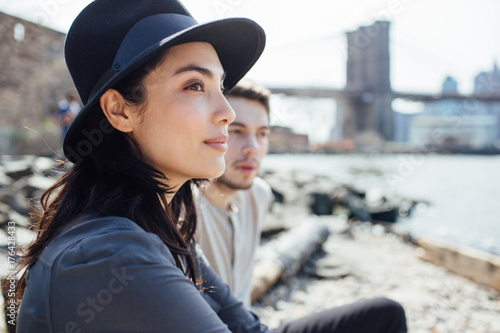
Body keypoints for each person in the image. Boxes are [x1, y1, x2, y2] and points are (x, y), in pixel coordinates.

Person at [10, 0, 270, 332]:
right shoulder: (110, 257)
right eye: (194, 86)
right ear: (120, 111)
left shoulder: (159, 226)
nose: (227, 112)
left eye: (221, 87)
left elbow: (246, 326)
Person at [195, 79, 408, 333]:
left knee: (386, 314)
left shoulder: (258, 195)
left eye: (262, 134)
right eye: (236, 130)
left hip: (251, 327)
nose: (252, 148)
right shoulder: (181, 207)